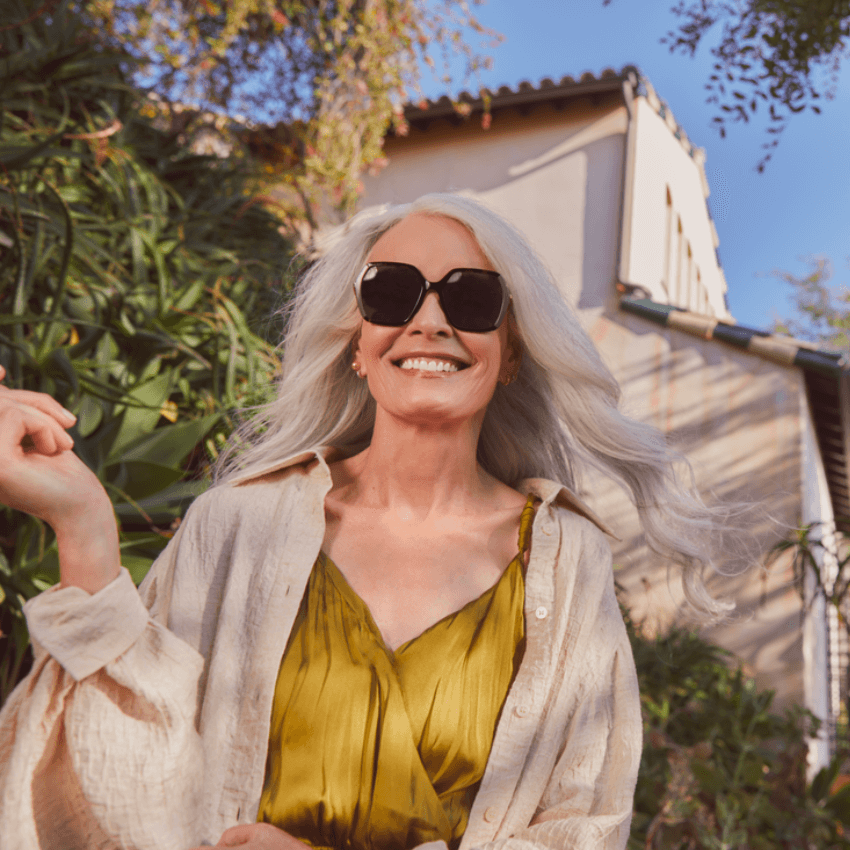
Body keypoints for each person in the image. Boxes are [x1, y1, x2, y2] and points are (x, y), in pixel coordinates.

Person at [0, 193, 726, 850]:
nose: (429, 322)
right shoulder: (236, 525)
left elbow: (582, 826)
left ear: (509, 352)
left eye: (472, 299)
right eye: (392, 292)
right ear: (357, 342)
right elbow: (127, 779)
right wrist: (83, 523)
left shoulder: (565, 559)